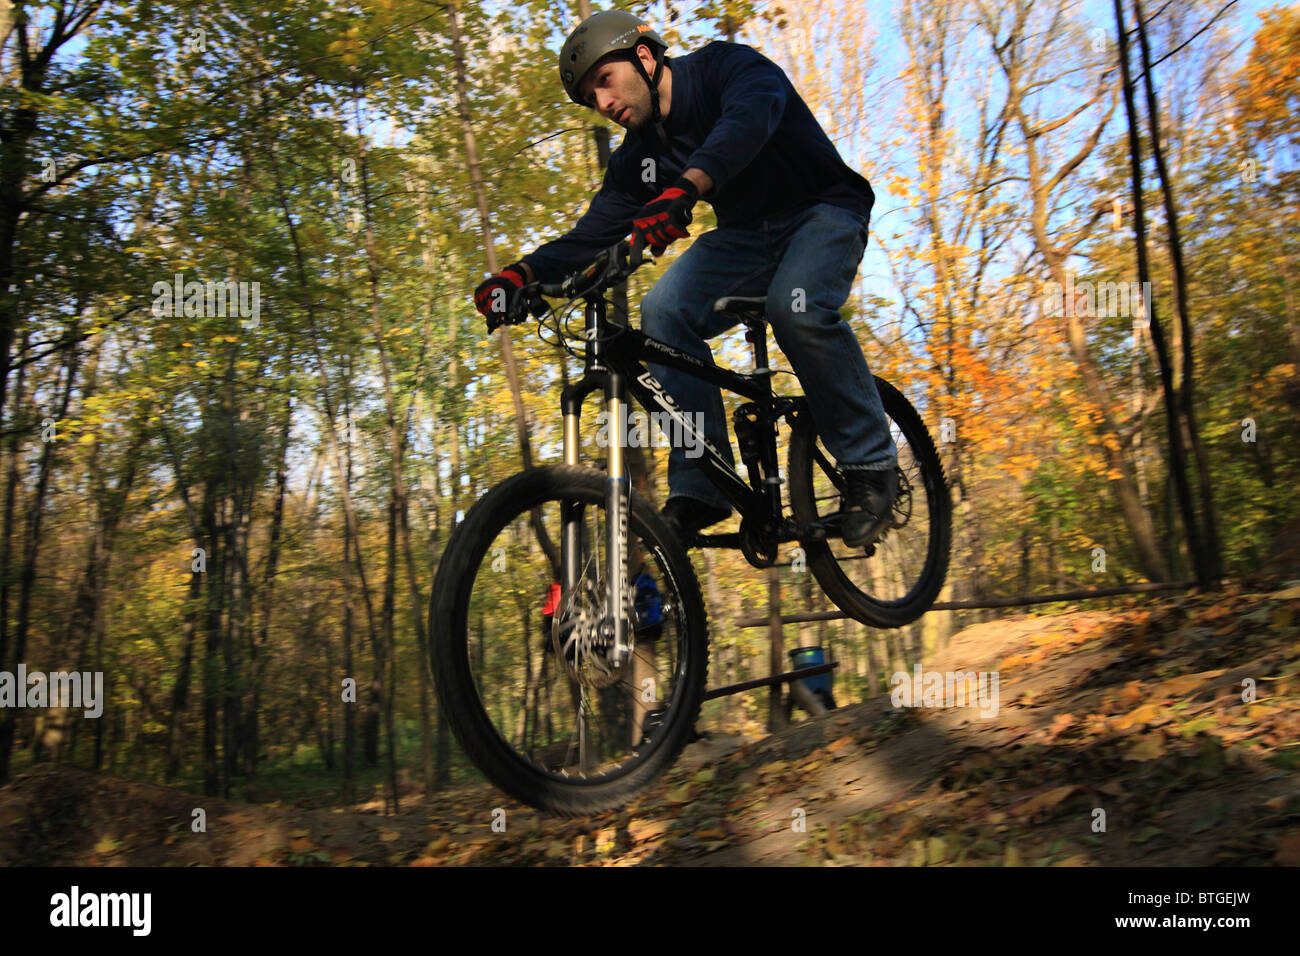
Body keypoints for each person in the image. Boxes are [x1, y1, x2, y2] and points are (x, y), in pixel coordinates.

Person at [474, 9, 898, 549]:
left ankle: (871, 464)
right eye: (590, 99)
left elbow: (748, 121)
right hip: (746, 237)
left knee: (794, 309)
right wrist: (521, 273)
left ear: (645, 57)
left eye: (604, 81)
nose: (603, 104)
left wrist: (686, 188)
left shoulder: (725, 67)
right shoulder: (638, 158)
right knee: (662, 312)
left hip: (824, 211)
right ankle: (703, 485)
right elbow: (595, 231)